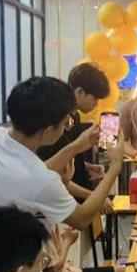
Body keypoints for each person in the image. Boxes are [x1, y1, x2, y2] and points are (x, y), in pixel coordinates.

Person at [0, 75, 125, 272]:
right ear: (49, 130)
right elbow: (82, 218)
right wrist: (115, 168)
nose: (66, 127)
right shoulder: (38, 180)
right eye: (65, 123)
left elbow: (34, 175)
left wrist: (75, 146)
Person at [37, 62, 111, 195]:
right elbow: (50, 172)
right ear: (80, 92)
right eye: (94, 98)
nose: (96, 104)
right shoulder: (56, 122)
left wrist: (85, 167)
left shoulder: (75, 116)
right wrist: (93, 196)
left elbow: (67, 158)